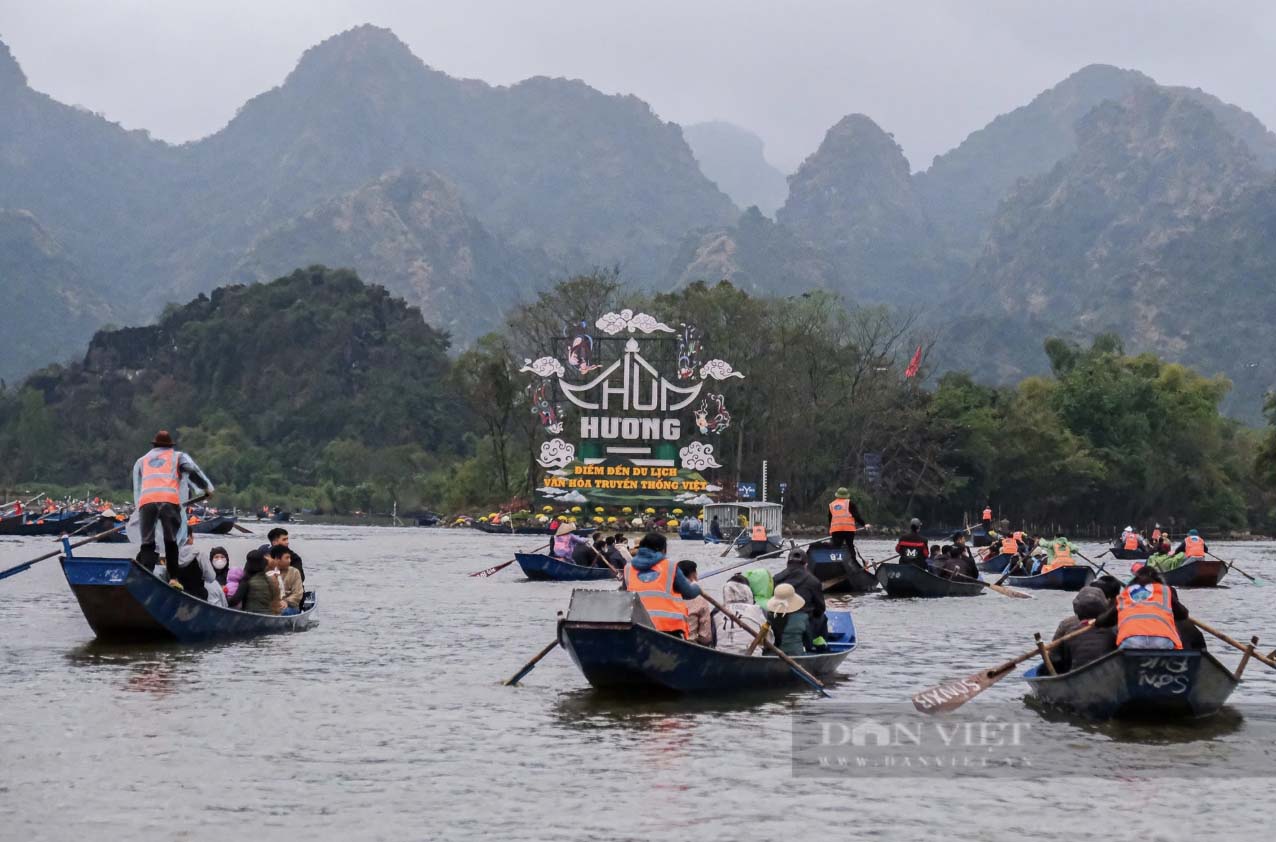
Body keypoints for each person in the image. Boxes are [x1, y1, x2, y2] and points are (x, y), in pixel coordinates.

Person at [132, 429, 214, 596]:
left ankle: (146, 577)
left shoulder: (143, 460)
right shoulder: (177, 456)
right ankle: (174, 579)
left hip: (146, 502)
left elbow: (138, 484)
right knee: (171, 541)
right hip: (169, 501)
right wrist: (205, 487)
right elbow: (190, 469)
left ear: (154, 445)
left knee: (147, 543)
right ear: (170, 445)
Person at [621, 533, 701, 637]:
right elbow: (689, 593)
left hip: (638, 625)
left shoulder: (628, 568)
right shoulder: (670, 566)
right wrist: (696, 585)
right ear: (663, 550)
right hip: (668, 627)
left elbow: (623, 595)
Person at [1093, 566, 1188, 650]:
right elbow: (1183, 614)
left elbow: (1103, 621)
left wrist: (1096, 621)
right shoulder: (1165, 591)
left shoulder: (1125, 594)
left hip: (1131, 641)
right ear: (1158, 579)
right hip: (1162, 641)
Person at [1048, 587, 1117, 673]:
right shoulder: (1115, 622)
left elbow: (1053, 658)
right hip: (1110, 671)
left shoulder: (1066, 624)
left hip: (1074, 673)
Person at [772, 549, 828, 645]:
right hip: (805, 625)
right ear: (806, 565)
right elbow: (820, 609)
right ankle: (818, 645)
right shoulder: (814, 581)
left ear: (787, 563)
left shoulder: (776, 578)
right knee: (822, 618)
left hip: (779, 624)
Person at [718, 574, 772, 651]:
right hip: (753, 656)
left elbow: (711, 640)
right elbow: (769, 641)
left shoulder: (717, 611)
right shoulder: (759, 610)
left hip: (721, 654)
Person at [226, 548, 280, 614]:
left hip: (250, 616)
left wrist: (224, 599)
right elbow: (275, 600)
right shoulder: (270, 580)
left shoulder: (246, 581)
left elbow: (234, 601)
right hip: (268, 614)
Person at [676, 560, 715, 647]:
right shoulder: (700, 600)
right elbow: (706, 637)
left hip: (665, 640)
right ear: (693, 575)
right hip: (689, 646)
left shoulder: (665, 595)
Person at [766, 583, 809, 656]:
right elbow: (808, 641)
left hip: (773, 654)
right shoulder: (803, 617)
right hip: (797, 654)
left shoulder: (769, 617)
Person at [827, 487, 864, 558]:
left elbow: (830, 519)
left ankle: (835, 563)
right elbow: (856, 516)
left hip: (836, 530)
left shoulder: (832, 505)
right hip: (848, 530)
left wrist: (830, 529)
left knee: (836, 547)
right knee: (850, 546)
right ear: (847, 495)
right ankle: (853, 562)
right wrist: (864, 524)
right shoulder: (850, 503)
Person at [269, 545, 304, 615]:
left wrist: (286, 602)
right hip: (271, 606)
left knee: (283, 612)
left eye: (290, 558)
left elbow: (298, 594)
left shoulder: (294, 572)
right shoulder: (268, 571)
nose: (290, 560)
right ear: (277, 559)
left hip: (290, 607)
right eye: (287, 558)